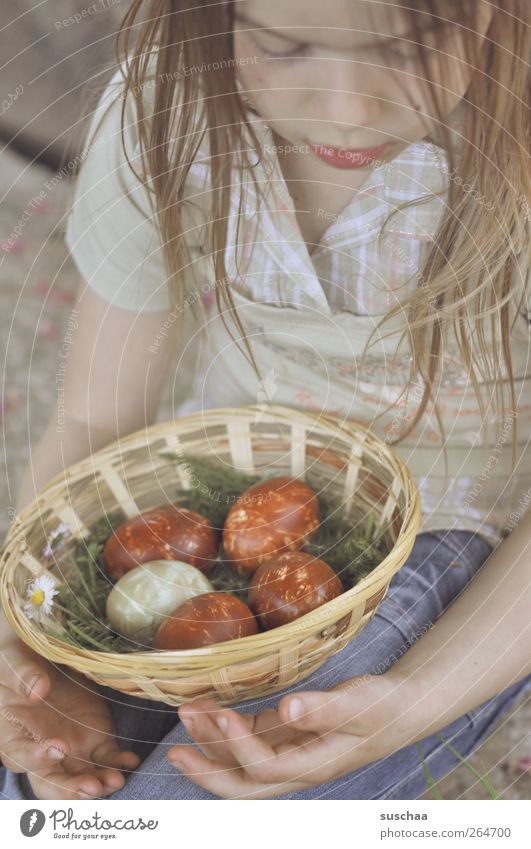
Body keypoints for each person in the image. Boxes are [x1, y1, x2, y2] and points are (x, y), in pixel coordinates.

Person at [1, 0, 530, 800]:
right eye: (283, 47)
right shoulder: (167, 108)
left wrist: (416, 699)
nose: (348, 110)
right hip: (219, 487)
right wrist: (35, 637)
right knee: (38, 775)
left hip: (453, 528)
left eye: (411, 48)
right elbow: (94, 417)